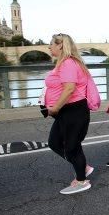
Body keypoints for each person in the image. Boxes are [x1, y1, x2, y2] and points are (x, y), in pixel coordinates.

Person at [44, 33, 95, 195]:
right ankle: (83, 167)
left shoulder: (68, 63)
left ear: (60, 45)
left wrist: (55, 108)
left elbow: (69, 88)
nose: (49, 47)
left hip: (74, 110)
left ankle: (81, 181)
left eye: (51, 44)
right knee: (54, 142)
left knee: (72, 146)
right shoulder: (62, 63)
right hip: (66, 111)